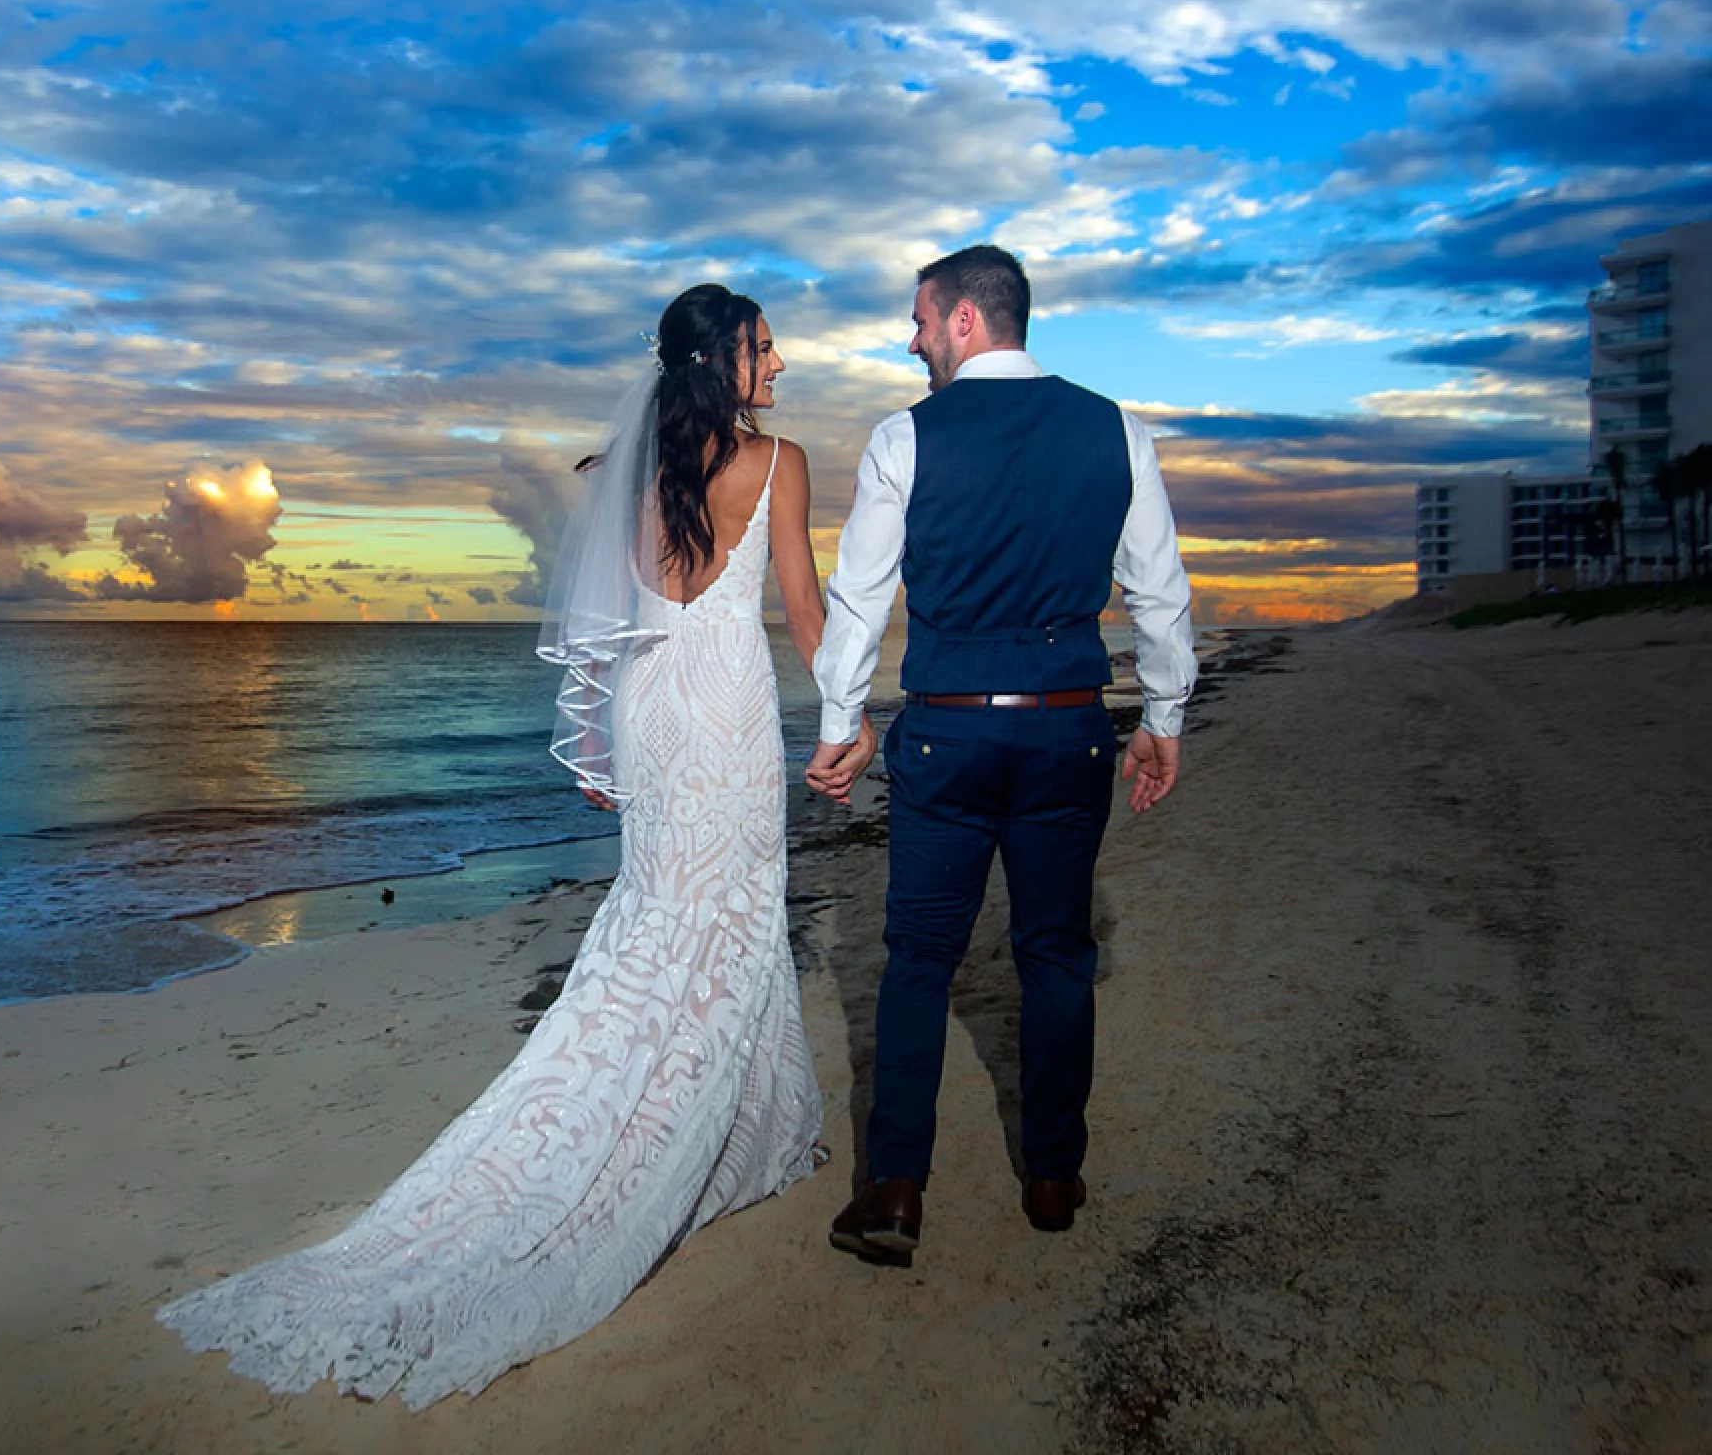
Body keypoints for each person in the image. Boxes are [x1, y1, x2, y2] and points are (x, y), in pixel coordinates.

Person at [159, 284, 858, 1407]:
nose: (777, 367)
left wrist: (600, 754)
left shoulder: (624, 474)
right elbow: (806, 612)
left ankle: (731, 1116)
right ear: (720, 361)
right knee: (730, 904)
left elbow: (607, 615)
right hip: (721, 710)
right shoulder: (779, 463)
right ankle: (715, 1137)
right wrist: (848, 718)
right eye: (763, 351)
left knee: (660, 908)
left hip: (651, 707)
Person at [806, 245, 1194, 1265]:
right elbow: (1158, 589)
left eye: (921, 321)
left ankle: (895, 1187)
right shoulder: (1115, 428)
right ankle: (1054, 1175)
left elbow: (860, 595)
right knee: (1058, 951)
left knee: (918, 960)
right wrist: (1164, 715)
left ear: (967, 321)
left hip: (948, 729)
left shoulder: (905, 437)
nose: (912, 337)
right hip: (1068, 725)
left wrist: (839, 724)